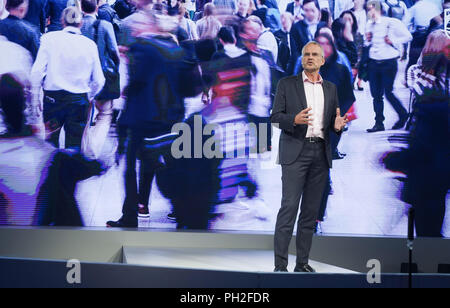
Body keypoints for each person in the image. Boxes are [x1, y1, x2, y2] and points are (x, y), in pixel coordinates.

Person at [271, 41, 348, 272]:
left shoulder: (331, 89)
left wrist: (337, 126)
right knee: (289, 209)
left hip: (320, 154)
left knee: (310, 213)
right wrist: (292, 120)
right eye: (306, 54)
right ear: (302, 59)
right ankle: (280, 266)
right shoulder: (287, 84)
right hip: (295, 151)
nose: (310, 58)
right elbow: (275, 117)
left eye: (315, 54)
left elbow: (333, 122)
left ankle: (302, 263)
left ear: (322, 60)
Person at [106, 11, 186, 228]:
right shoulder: (176, 50)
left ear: (148, 26)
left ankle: (131, 214)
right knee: (159, 163)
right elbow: (184, 86)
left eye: (136, 26)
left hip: (140, 119)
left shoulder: (141, 48)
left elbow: (135, 85)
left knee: (131, 167)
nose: (133, 30)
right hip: (167, 119)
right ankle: (179, 208)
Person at [390, 30, 449, 237]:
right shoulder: (418, 71)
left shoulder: (426, 72)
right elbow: (424, 93)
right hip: (426, 135)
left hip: (428, 139)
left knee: (428, 203)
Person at [30, 6, 105, 150]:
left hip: (53, 100)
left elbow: (36, 72)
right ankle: (72, 172)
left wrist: (35, 100)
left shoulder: (49, 39)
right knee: (74, 147)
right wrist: (88, 96)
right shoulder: (90, 45)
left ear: (62, 21)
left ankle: (51, 172)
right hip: (78, 101)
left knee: (50, 146)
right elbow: (99, 80)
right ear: (81, 23)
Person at [80, 0, 120, 158]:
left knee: (86, 115)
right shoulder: (104, 25)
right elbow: (114, 52)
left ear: (81, 7)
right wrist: (116, 70)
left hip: (82, 78)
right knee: (104, 114)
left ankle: (84, 146)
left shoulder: (78, 25)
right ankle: (93, 148)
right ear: (97, 7)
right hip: (103, 77)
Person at [365, 0, 411, 133]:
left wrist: (393, 40)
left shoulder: (391, 23)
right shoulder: (368, 25)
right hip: (373, 62)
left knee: (388, 92)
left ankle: (402, 114)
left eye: (373, 9)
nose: (370, 12)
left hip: (389, 62)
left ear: (380, 10)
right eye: (368, 9)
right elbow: (368, 44)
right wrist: (367, 40)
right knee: (376, 95)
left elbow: (408, 36)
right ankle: (378, 123)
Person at [274, 12, 299, 76]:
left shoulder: (296, 32)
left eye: (285, 19)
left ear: (291, 20)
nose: (283, 21)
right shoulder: (277, 34)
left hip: (295, 63)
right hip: (283, 65)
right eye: (282, 19)